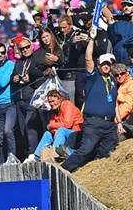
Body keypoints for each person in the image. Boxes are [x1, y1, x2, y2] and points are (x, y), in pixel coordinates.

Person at [61, 43, 119, 173]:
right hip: (94, 122)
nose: (106, 66)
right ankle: (63, 169)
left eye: (108, 64)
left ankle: (96, 173)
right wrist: (91, 39)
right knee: (86, 149)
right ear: (98, 65)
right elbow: (88, 58)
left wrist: (119, 121)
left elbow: (114, 103)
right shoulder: (93, 77)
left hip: (109, 124)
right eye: (103, 64)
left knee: (107, 151)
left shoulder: (113, 81)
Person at [30, 90, 84, 162]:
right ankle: (37, 157)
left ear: (60, 99)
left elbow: (67, 124)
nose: (52, 103)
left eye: (53, 101)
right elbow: (50, 127)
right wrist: (54, 130)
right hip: (64, 131)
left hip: (76, 132)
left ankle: (55, 154)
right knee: (47, 134)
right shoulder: (54, 110)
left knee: (61, 130)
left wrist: (53, 127)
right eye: (50, 102)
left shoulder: (67, 105)